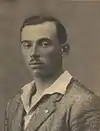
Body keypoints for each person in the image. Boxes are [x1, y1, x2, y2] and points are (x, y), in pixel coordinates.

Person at [4, 15, 100, 131]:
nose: (33, 53)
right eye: (27, 45)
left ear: (64, 50)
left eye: (44, 44)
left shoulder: (82, 102)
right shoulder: (16, 102)